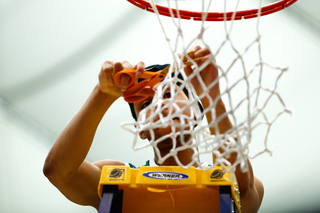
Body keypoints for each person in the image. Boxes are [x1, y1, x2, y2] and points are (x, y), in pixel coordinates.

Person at [43, 46, 264, 212]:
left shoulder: (240, 180)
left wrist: (212, 99)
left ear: (196, 111)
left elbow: (243, 190)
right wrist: (102, 95)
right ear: (140, 128)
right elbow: (59, 172)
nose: (159, 104)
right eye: (146, 104)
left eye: (168, 94)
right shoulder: (118, 175)